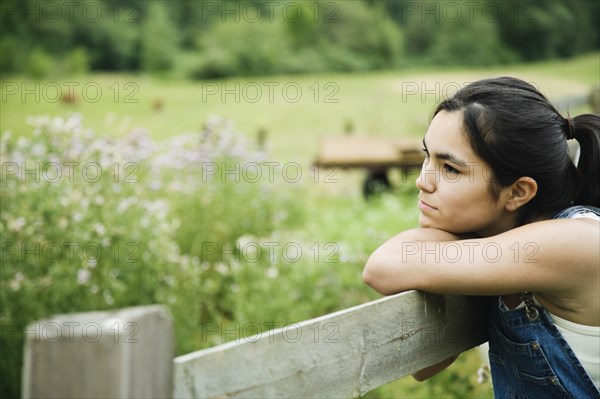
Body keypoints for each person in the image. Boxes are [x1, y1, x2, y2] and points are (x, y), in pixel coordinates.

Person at [362, 77, 600, 398]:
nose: (422, 181)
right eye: (426, 155)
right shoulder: (499, 240)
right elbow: (426, 366)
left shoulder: (575, 242)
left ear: (517, 191)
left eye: (450, 169)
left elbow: (383, 267)